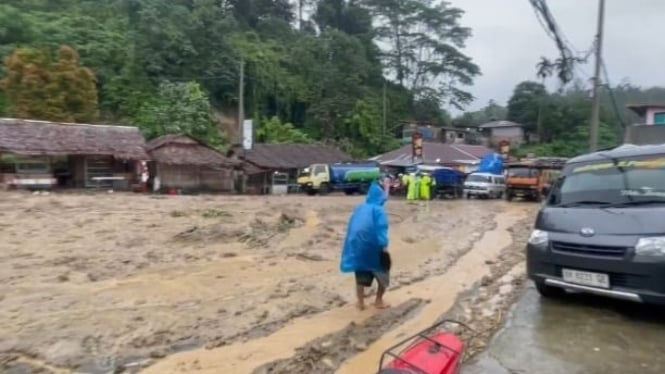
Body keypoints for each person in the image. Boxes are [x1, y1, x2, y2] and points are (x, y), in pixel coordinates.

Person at [340, 181, 391, 310]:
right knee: (382, 272)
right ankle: (379, 301)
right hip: (374, 246)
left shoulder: (360, 208)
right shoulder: (379, 210)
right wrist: (384, 245)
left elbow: (352, 227)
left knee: (361, 274)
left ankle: (360, 303)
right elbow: (381, 228)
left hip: (358, 247)